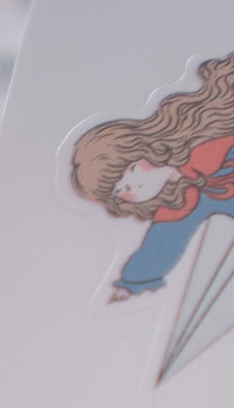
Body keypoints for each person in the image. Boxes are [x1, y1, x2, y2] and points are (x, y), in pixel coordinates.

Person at [70, 54, 234, 300]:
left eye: (130, 172)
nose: (131, 188)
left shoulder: (205, 146)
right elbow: (162, 245)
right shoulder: (179, 202)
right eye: (119, 191)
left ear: (144, 151)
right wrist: (131, 284)